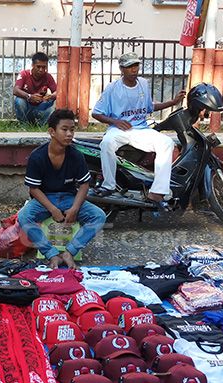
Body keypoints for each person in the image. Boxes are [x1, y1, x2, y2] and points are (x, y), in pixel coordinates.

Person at [91, 51, 186, 209]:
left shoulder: (143, 83)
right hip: (118, 129)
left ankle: (157, 192)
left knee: (167, 143)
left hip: (141, 129)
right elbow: (96, 113)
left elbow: (150, 107)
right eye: (129, 67)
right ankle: (108, 185)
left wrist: (173, 102)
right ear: (122, 69)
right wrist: (115, 121)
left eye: (136, 65)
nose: (134, 69)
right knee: (106, 143)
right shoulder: (112, 88)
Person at [18, 109, 106, 269]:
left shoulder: (76, 155)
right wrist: (52, 209)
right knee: (24, 217)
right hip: (45, 199)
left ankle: (69, 252)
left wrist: (75, 208)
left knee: (98, 216)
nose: (69, 134)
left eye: (72, 130)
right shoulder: (37, 157)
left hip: (68, 197)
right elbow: (34, 189)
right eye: (64, 129)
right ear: (52, 131)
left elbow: (84, 184)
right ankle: (51, 254)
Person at [13, 52, 58, 126]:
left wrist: (50, 96)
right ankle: (24, 125)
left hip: (41, 107)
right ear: (32, 65)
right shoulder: (24, 74)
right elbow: (15, 90)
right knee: (19, 101)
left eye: (44, 67)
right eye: (38, 66)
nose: (41, 70)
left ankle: (40, 126)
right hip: (27, 106)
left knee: (52, 109)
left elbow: (57, 92)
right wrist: (30, 97)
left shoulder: (48, 76)